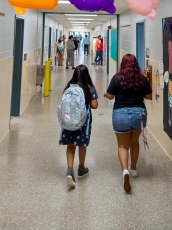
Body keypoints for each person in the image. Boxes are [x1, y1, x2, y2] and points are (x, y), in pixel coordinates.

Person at [104, 54, 152, 193]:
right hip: (139, 114)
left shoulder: (117, 78)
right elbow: (148, 97)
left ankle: (125, 170)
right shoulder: (142, 79)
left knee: (122, 145)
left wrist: (107, 95)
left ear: (122, 64)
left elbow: (111, 95)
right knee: (134, 142)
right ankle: (134, 168)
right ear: (136, 65)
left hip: (120, 114)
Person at [59, 65, 98, 188]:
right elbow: (95, 105)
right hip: (83, 122)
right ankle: (81, 168)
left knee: (71, 144)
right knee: (82, 144)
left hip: (69, 121)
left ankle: (70, 169)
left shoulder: (69, 87)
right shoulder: (89, 88)